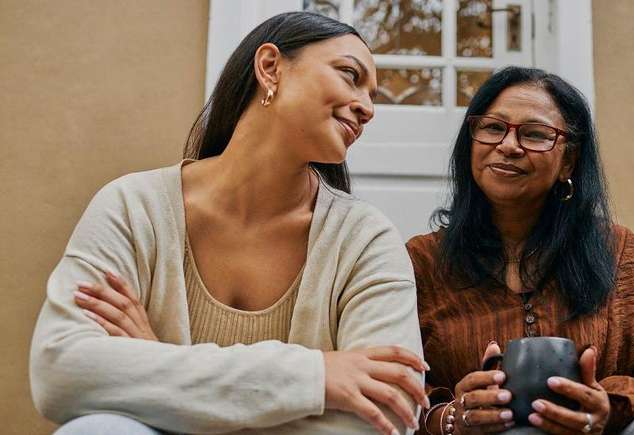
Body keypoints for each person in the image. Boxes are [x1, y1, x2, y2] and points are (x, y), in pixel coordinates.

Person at [30, 12, 429, 435]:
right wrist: (315, 377)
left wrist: (159, 364)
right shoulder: (134, 207)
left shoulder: (366, 239)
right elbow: (61, 372)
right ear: (271, 67)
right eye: (350, 75)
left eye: (373, 95)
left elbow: (390, 411)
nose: (368, 108)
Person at [407, 66, 634, 434]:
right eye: (493, 128)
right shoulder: (423, 261)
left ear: (567, 162)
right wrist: (451, 416)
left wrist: (607, 404)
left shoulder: (616, 252)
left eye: (535, 134)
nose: (508, 146)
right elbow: (390, 380)